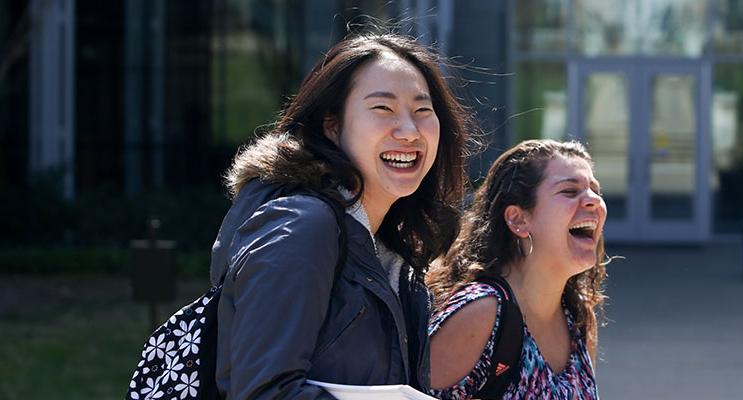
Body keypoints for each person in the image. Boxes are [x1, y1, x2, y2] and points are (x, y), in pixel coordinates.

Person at [208, 32, 475, 399]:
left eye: (422, 111)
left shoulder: (391, 248)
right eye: (383, 108)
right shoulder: (303, 227)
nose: (410, 131)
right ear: (332, 126)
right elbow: (262, 393)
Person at [426, 139, 608, 399]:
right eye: (570, 191)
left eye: (595, 190)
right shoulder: (480, 313)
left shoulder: (578, 316)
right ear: (518, 220)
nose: (594, 201)